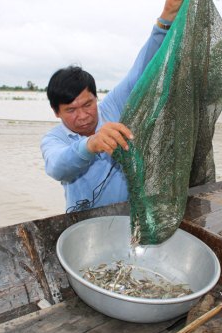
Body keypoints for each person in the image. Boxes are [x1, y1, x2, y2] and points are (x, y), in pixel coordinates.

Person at [41, 0, 183, 212]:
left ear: (96, 98)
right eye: (70, 110)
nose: (83, 116)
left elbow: (140, 71)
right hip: (83, 224)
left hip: (130, 218)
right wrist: (90, 144)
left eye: (88, 104)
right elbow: (57, 167)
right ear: (56, 112)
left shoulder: (113, 106)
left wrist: (166, 17)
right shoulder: (53, 140)